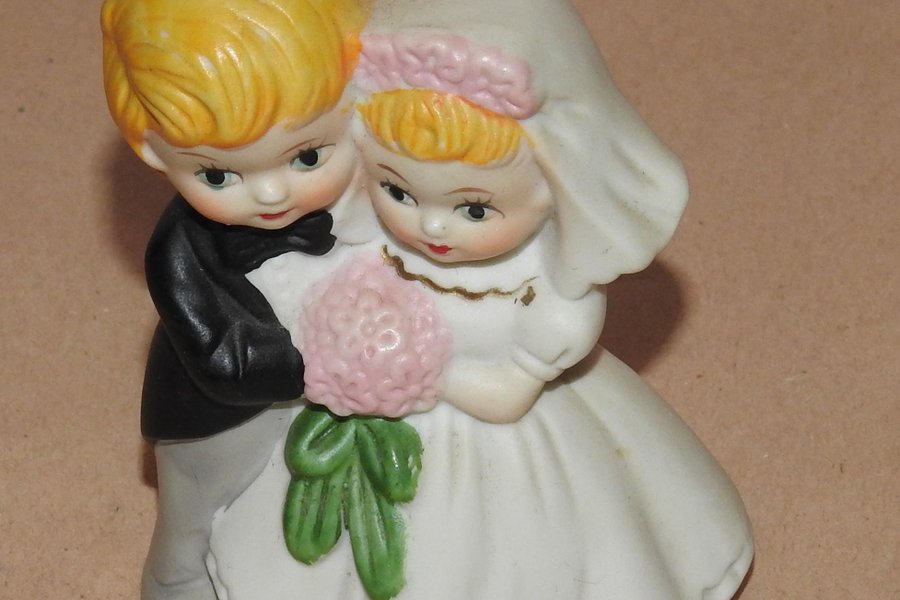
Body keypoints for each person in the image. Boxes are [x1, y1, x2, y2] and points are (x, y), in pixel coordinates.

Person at [205, 6, 754, 597]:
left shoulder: (546, 297)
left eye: (474, 208)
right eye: (398, 190)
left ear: (551, 191)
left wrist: (404, 377)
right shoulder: (370, 239)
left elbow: (506, 400)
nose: (432, 226)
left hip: (503, 457)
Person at [100, 0, 369, 598]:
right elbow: (221, 355)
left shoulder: (362, 197)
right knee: (195, 523)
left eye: (307, 157)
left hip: (321, 406)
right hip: (217, 421)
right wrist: (320, 365)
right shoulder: (179, 251)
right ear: (152, 150)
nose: (271, 193)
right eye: (218, 175)